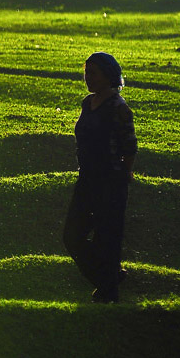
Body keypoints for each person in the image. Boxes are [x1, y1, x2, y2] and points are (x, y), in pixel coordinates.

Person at [63, 52, 137, 303]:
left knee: (107, 236)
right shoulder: (88, 103)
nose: (88, 78)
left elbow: (129, 145)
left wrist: (125, 172)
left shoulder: (119, 107)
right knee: (72, 236)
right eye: (87, 72)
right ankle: (109, 278)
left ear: (108, 75)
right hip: (87, 179)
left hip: (110, 181)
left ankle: (108, 290)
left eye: (93, 73)